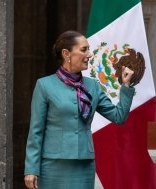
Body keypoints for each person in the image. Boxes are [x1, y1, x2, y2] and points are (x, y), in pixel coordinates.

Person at [24, 30, 135, 189]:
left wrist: (126, 86)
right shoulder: (44, 85)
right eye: (84, 49)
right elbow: (36, 131)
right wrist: (31, 169)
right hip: (52, 165)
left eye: (89, 49)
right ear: (66, 53)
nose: (89, 54)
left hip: (84, 165)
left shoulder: (93, 85)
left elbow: (119, 116)